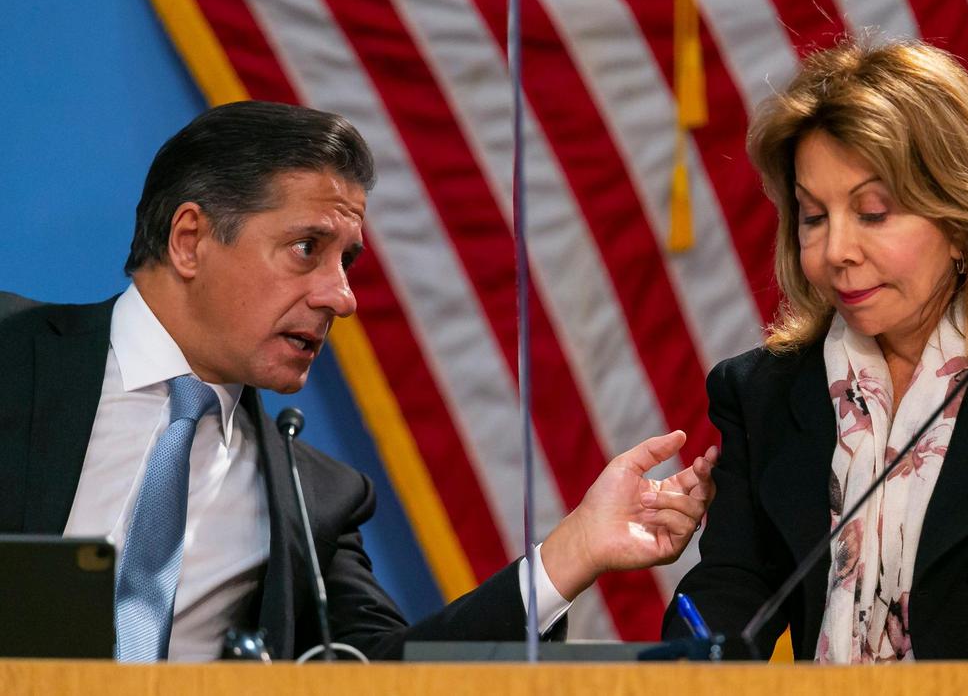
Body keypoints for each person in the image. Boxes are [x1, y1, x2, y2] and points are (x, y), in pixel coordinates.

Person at [0, 100, 717, 662]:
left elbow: (386, 675)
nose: (341, 296)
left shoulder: (316, 499)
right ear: (190, 239)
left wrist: (572, 550)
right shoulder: (12, 353)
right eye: (307, 248)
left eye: (348, 261)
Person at [662, 38, 968, 661]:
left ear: (962, 222)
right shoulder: (764, 394)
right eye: (814, 217)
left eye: (874, 212)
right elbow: (726, 596)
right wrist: (697, 654)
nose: (837, 250)